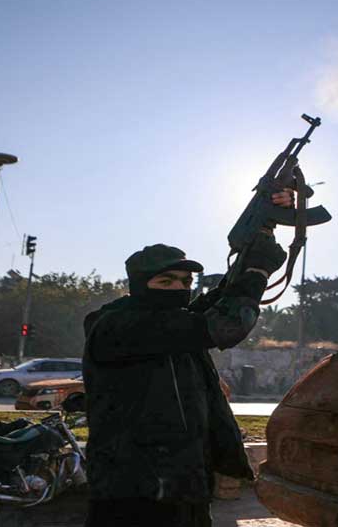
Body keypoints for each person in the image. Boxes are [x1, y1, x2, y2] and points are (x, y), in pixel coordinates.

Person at [81, 191, 293, 527]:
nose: (178, 288)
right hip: (132, 489)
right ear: (139, 285)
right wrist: (257, 272)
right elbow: (225, 324)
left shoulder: (176, 324)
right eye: (165, 281)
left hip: (185, 484)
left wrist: (265, 225)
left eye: (185, 281)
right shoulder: (116, 325)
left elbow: (218, 302)